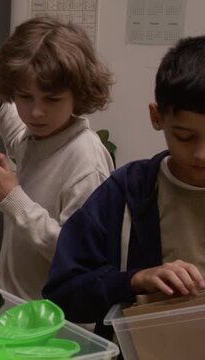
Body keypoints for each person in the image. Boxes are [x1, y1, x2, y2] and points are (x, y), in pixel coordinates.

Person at [43, 35, 205, 339]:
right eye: (185, 136)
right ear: (157, 117)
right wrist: (135, 280)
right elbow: (62, 294)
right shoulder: (126, 192)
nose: (200, 155)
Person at [0, 17, 114, 302]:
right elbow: (12, 120)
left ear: (78, 94)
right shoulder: (37, 138)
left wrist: (12, 198)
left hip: (59, 328)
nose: (36, 112)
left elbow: (82, 254)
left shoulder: (86, 160)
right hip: (20, 309)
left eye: (52, 99)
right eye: (25, 96)